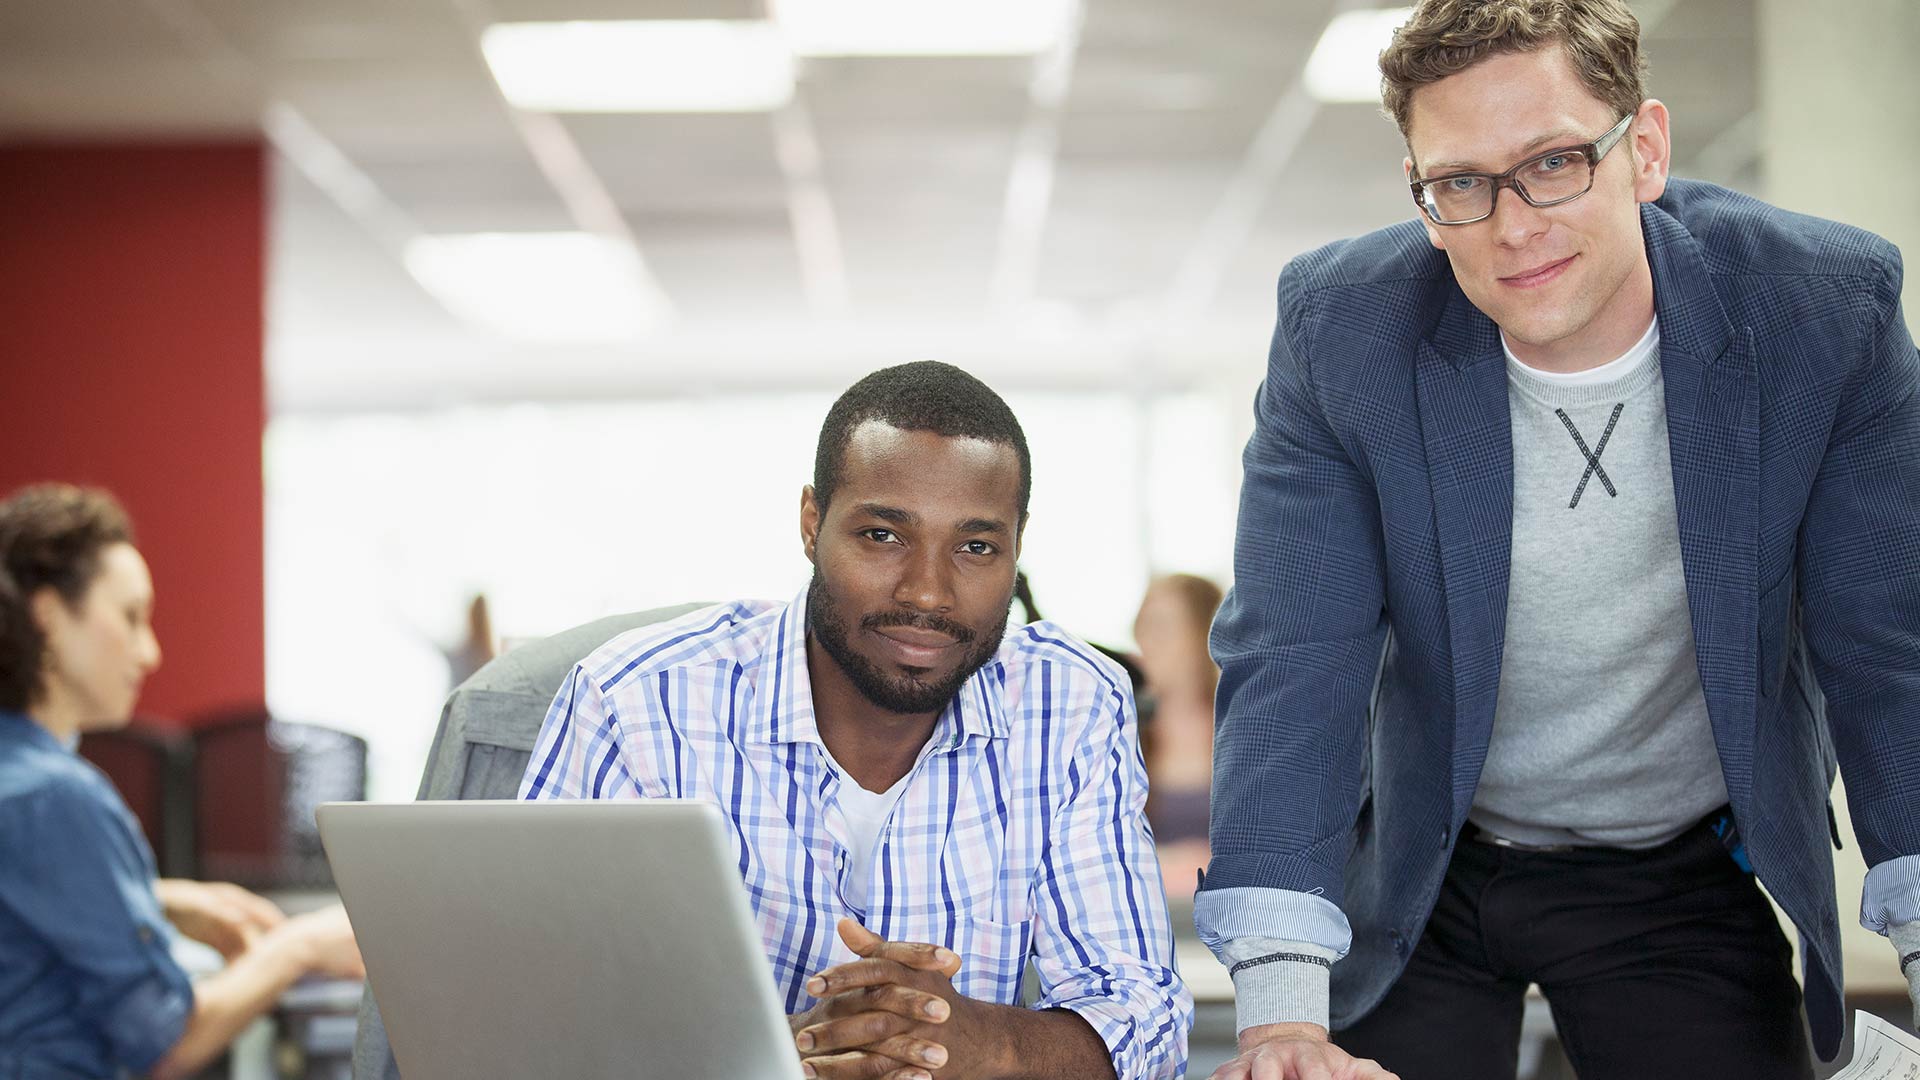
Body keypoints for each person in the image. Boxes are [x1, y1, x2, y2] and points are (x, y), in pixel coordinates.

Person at [1195, 2, 1920, 1078]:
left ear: (1647, 150)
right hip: (1422, 860)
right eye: (1461, 184)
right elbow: (1297, 659)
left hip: (1676, 863)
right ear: (1422, 193)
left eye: (1555, 162)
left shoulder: (1822, 312)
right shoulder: (1341, 331)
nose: (1513, 225)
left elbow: (1889, 658)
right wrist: (1282, 1018)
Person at [521, 361, 1192, 1080]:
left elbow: (1142, 1017)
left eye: (976, 547)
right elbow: (527, 1009)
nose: (928, 592)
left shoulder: (1071, 703)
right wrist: (798, 1052)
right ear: (812, 525)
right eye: (882, 535)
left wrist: (971, 1039)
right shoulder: (634, 700)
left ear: (1017, 548)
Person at [0, 484, 366, 1080]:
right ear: (45, 616)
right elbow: (167, 1043)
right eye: (130, 617)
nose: (150, 652)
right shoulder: (56, 797)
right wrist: (298, 948)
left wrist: (157, 898)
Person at [1132, 574, 1224, 901]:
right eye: (1141, 628)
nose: (1146, 643)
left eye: (1163, 629)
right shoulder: (1123, 735)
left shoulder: (1240, 734)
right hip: (1155, 916)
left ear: (1204, 635)